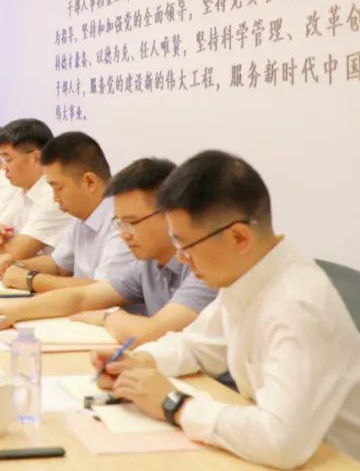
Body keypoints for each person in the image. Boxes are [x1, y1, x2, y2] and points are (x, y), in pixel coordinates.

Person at [91, 150, 359, 467]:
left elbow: (281, 441)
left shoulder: (298, 306)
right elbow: (196, 346)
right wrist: (139, 363)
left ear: (239, 237)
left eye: (187, 245)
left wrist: (174, 404)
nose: (182, 258)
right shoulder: (246, 278)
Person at [0, 158, 217, 346]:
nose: (125, 233)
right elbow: (81, 298)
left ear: (171, 215)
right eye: (119, 223)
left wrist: (107, 317)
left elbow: (152, 332)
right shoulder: (146, 265)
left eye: (132, 222)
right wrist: (9, 312)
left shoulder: (204, 268)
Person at [0, 132, 134, 292]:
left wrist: (30, 279)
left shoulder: (122, 220)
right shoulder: (81, 216)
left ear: (89, 182)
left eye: (59, 188)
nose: (55, 198)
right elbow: (58, 265)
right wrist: (17, 265)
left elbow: (103, 290)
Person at [0, 118, 73, 267]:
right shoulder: (22, 191)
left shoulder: (53, 195)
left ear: (35, 158)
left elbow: (14, 253)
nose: (3, 168)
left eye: (8, 160)